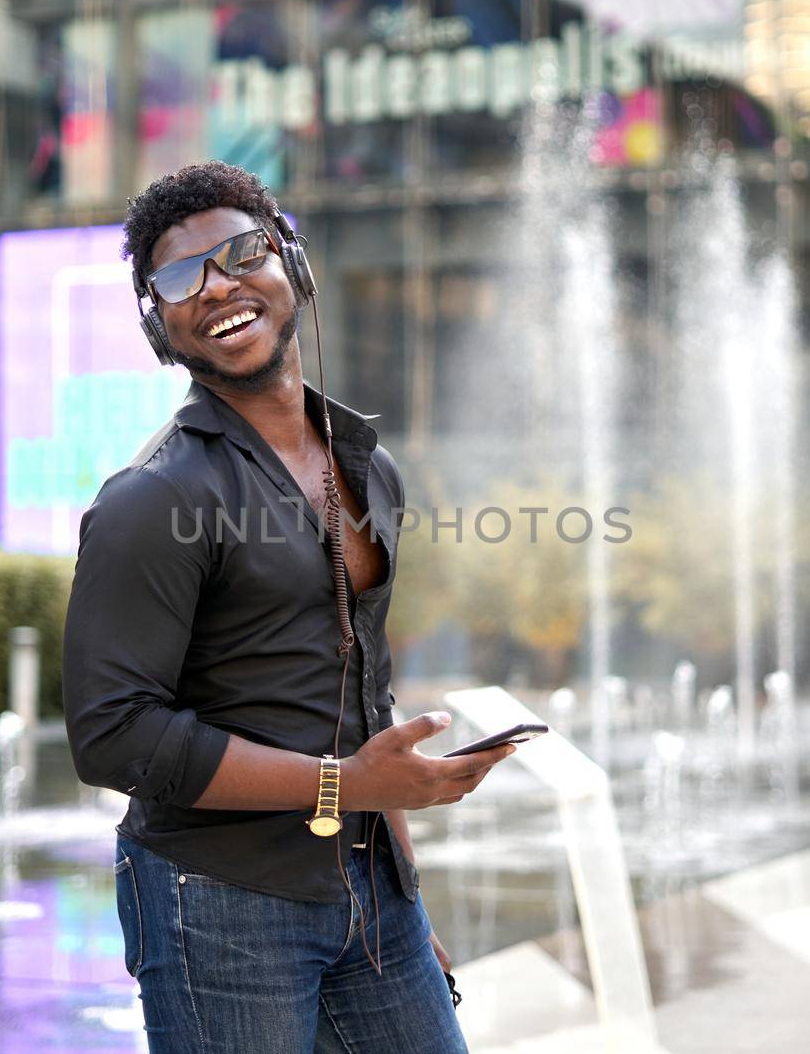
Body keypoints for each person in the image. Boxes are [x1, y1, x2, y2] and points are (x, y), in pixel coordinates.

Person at [63, 160, 517, 1054]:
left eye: (241, 253)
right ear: (160, 325)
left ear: (293, 267)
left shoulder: (367, 468)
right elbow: (112, 735)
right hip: (218, 901)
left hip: (368, 893)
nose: (217, 287)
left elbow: (361, 700)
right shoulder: (149, 499)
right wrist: (344, 784)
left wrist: (401, 899)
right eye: (178, 278)